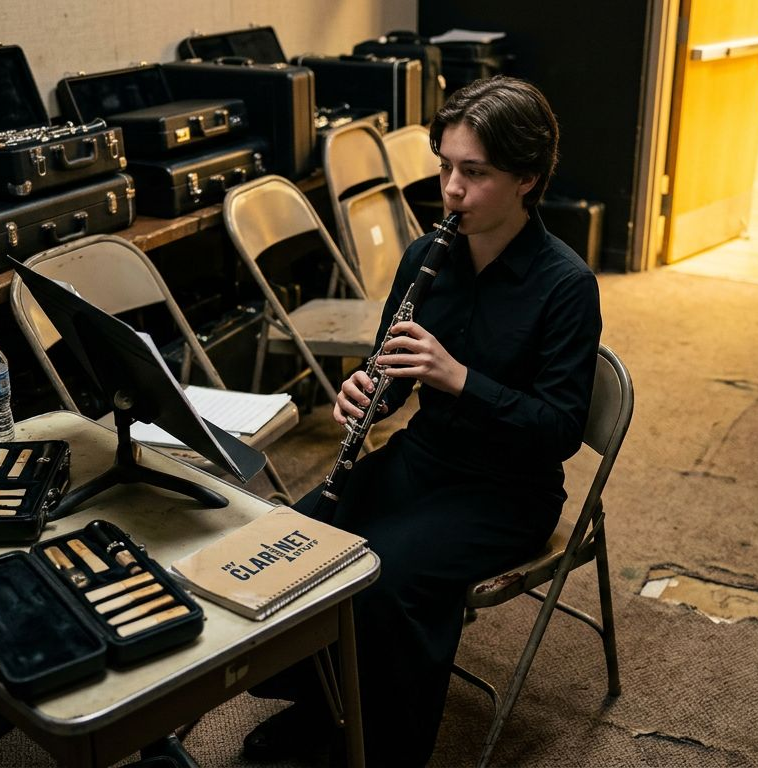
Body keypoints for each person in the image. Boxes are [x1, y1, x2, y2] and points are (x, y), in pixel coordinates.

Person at [243, 75, 603, 767]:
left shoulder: (565, 286)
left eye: (476, 173)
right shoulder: (425, 256)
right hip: (424, 459)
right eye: (445, 167)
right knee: (301, 540)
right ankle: (324, 708)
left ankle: (382, 747)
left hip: (506, 493)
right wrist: (366, 394)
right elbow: (395, 382)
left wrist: (461, 379)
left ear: (527, 179)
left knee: (387, 579)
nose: (452, 190)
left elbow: (559, 430)